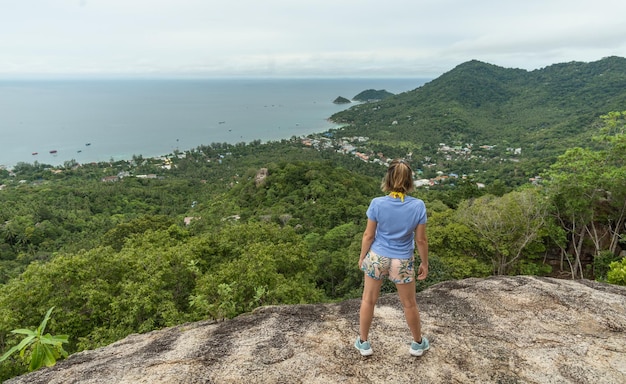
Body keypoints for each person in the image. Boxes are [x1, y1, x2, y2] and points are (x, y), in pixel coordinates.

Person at [354, 158, 430, 357]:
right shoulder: (418, 206)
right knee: (409, 304)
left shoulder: (377, 203)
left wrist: (363, 256)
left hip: (378, 256)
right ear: (409, 181)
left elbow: (368, 235)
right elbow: (421, 240)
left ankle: (364, 343)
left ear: (388, 179)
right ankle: (417, 343)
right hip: (402, 260)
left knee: (368, 300)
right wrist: (424, 263)